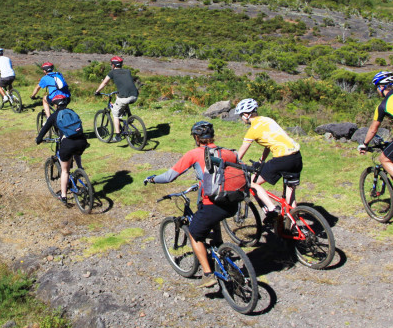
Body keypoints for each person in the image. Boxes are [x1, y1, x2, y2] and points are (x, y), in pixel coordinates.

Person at [143, 121, 247, 291]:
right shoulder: (228, 152)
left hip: (212, 203)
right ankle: (220, 249)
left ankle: (207, 273)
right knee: (213, 220)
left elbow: (169, 176)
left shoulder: (195, 153)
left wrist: (153, 179)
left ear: (197, 138)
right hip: (232, 202)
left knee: (195, 233)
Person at [234, 98, 303, 215]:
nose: (241, 118)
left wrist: (232, 163)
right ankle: (292, 223)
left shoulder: (252, 130)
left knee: (252, 183)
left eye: (241, 115)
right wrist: (262, 160)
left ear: (246, 114)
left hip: (282, 159)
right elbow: (270, 143)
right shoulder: (268, 120)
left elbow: (241, 152)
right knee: (290, 192)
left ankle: (272, 208)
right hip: (296, 157)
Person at [35, 92, 88, 205]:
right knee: (76, 151)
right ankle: (80, 168)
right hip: (82, 141)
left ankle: (63, 195)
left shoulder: (54, 116)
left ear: (55, 105)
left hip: (68, 144)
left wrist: (39, 139)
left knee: (65, 171)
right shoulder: (72, 112)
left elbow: (44, 129)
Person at [93, 56, 139, 141]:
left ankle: (118, 136)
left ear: (113, 65)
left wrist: (97, 91)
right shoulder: (127, 71)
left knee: (115, 114)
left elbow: (104, 83)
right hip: (135, 95)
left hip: (124, 97)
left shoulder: (112, 72)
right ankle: (130, 116)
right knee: (121, 100)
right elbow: (126, 83)